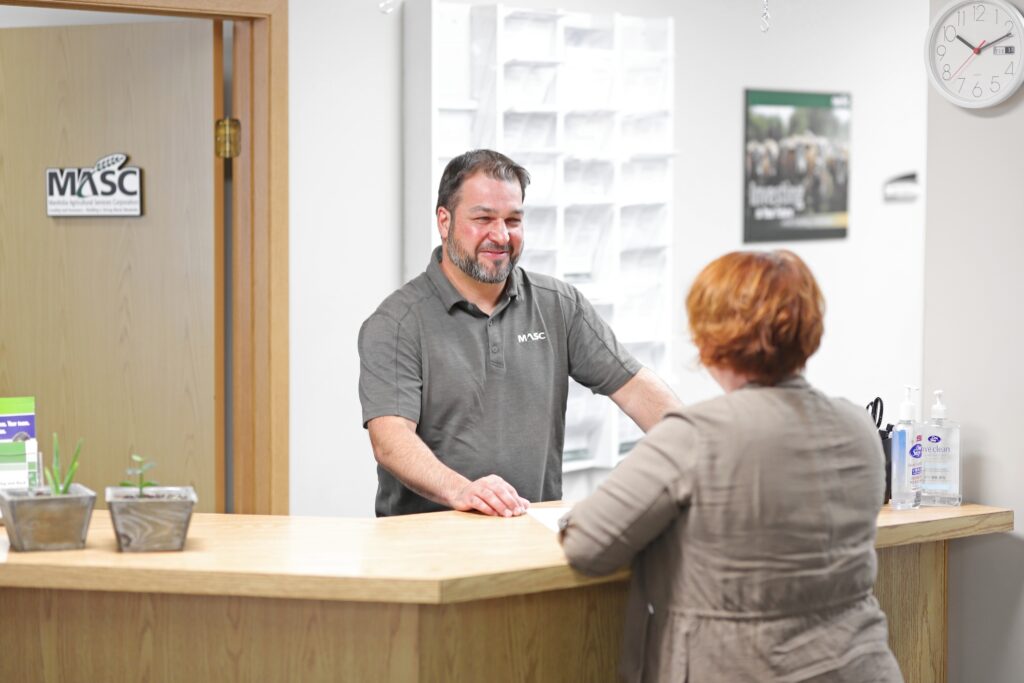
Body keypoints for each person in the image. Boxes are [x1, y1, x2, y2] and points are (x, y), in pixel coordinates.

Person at [559, 250, 901, 682]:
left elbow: (588, 545)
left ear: (709, 339)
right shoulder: (859, 427)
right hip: (861, 667)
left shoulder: (694, 435)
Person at [359, 149, 681, 518]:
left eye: (513, 220)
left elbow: (636, 388)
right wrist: (461, 490)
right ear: (444, 222)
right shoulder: (397, 323)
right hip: (427, 543)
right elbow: (390, 439)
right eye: (483, 218)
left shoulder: (558, 305)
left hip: (530, 532)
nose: (500, 235)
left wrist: (702, 450)